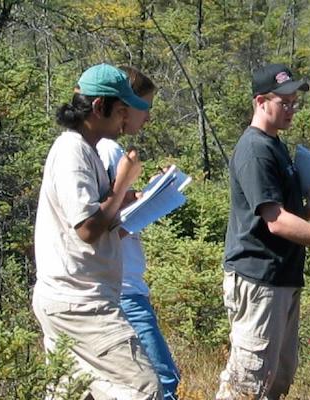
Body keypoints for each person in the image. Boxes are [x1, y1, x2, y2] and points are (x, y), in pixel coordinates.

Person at [217, 63, 310, 399]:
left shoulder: (275, 145)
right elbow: (274, 220)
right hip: (259, 278)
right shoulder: (255, 150)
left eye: (294, 102)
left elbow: (279, 215)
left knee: (277, 378)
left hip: (282, 277)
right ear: (260, 102)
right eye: (283, 102)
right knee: (249, 381)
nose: (290, 109)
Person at [32, 64, 160, 399]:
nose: (124, 118)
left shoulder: (83, 149)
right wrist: (122, 183)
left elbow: (95, 218)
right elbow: (87, 228)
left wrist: (123, 197)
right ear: (99, 107)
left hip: (71, 296)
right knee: (143, 388)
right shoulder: (72, 150)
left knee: (75, 392)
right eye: (120, 110)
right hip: (80, 302)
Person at [95, 66, 182, 400]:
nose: (148, 116)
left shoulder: (100, 149)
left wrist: (147, 194)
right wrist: (150, 200)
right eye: (144, 107)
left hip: (122, 283)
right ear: (124, 107)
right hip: (123, 286)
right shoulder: (109, 150)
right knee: (163, 380)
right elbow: (106, 221)